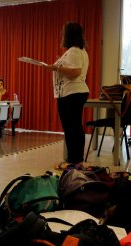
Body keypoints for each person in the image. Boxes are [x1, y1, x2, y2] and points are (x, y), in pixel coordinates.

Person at [43, 22, 89, 169]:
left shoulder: (75, 51)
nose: (62, 36)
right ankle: (75, 160)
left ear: (68, 35)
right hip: (73, 92)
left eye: (64, 33)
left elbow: (75, 72)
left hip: (72, 92)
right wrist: (58, 66)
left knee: (72, 127)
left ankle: (74, 160)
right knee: (73, 127)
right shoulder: (77, 51)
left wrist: (56, 67)